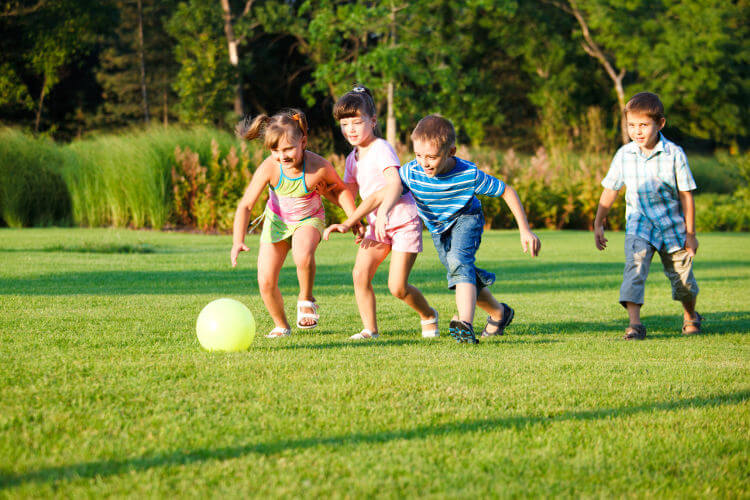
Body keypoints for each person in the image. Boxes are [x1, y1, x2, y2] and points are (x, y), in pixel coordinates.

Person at [325, 114, 541, 344]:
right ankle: (499, 313)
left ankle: (465, 324)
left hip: (466, 218)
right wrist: (351, 221)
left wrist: (525, 230)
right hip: (438, 229)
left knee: (459, 262)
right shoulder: (412, 171)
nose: (424, 162)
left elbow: (507, 191)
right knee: (462, 273)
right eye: (418, 155)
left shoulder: (468, 174)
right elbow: (382, 193)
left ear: (451, 152)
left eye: (432, 157)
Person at [231, 109, 359, 338]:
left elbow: (340, 191)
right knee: (265, 281)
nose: (283, 156)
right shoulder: (270, 168)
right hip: (277, 222)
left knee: (302, 254)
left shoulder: (317, 166)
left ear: (303, 141)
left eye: (289, 148)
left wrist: (353, 219)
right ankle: (281, 325)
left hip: (309, 219)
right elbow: (245, 206)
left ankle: (306, 298)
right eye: (275, 150)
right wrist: (237, 240)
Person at [331, 85, 438, 340]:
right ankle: (370, 330)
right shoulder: (351, 158)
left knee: (397, 287)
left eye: (357, 122)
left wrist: (384, 212)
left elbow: (394, 183)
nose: (351, 130)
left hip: (402, 220)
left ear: (373, 121)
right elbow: (347, 192)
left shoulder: (381, 148)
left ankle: (428, 314)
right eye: (345, 125)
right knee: (360, 273)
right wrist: (352, 221)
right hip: (376, 225)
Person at [594, 92, 701, 340]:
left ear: (660, 123)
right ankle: (635, 325)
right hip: (639, 225)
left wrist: (691, 234)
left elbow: (686, 196)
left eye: (643, 125)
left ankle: (690, 315)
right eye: (632, 125)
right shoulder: (624, 155)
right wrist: (599, 222)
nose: (637, 131)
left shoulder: (674, 154)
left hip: (672, 227)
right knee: (635, 268)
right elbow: (610, 190)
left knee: (683, 280)